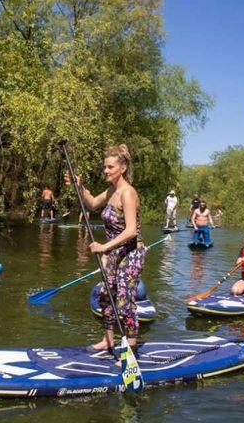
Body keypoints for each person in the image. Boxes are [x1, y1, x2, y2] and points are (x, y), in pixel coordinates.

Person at [66, 144, 146, 356]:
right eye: (104, 167)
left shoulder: (128, 193)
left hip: (131, 252)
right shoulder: (112, 190)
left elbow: (131, 231)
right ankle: (108, 340)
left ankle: (131, 348)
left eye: (110, 167)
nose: (106, 171)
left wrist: (104, 248)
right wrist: (80, 187)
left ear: (122, 168)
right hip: (114, 253)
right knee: (105, 295)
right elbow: (91, 204)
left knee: (124, 301)